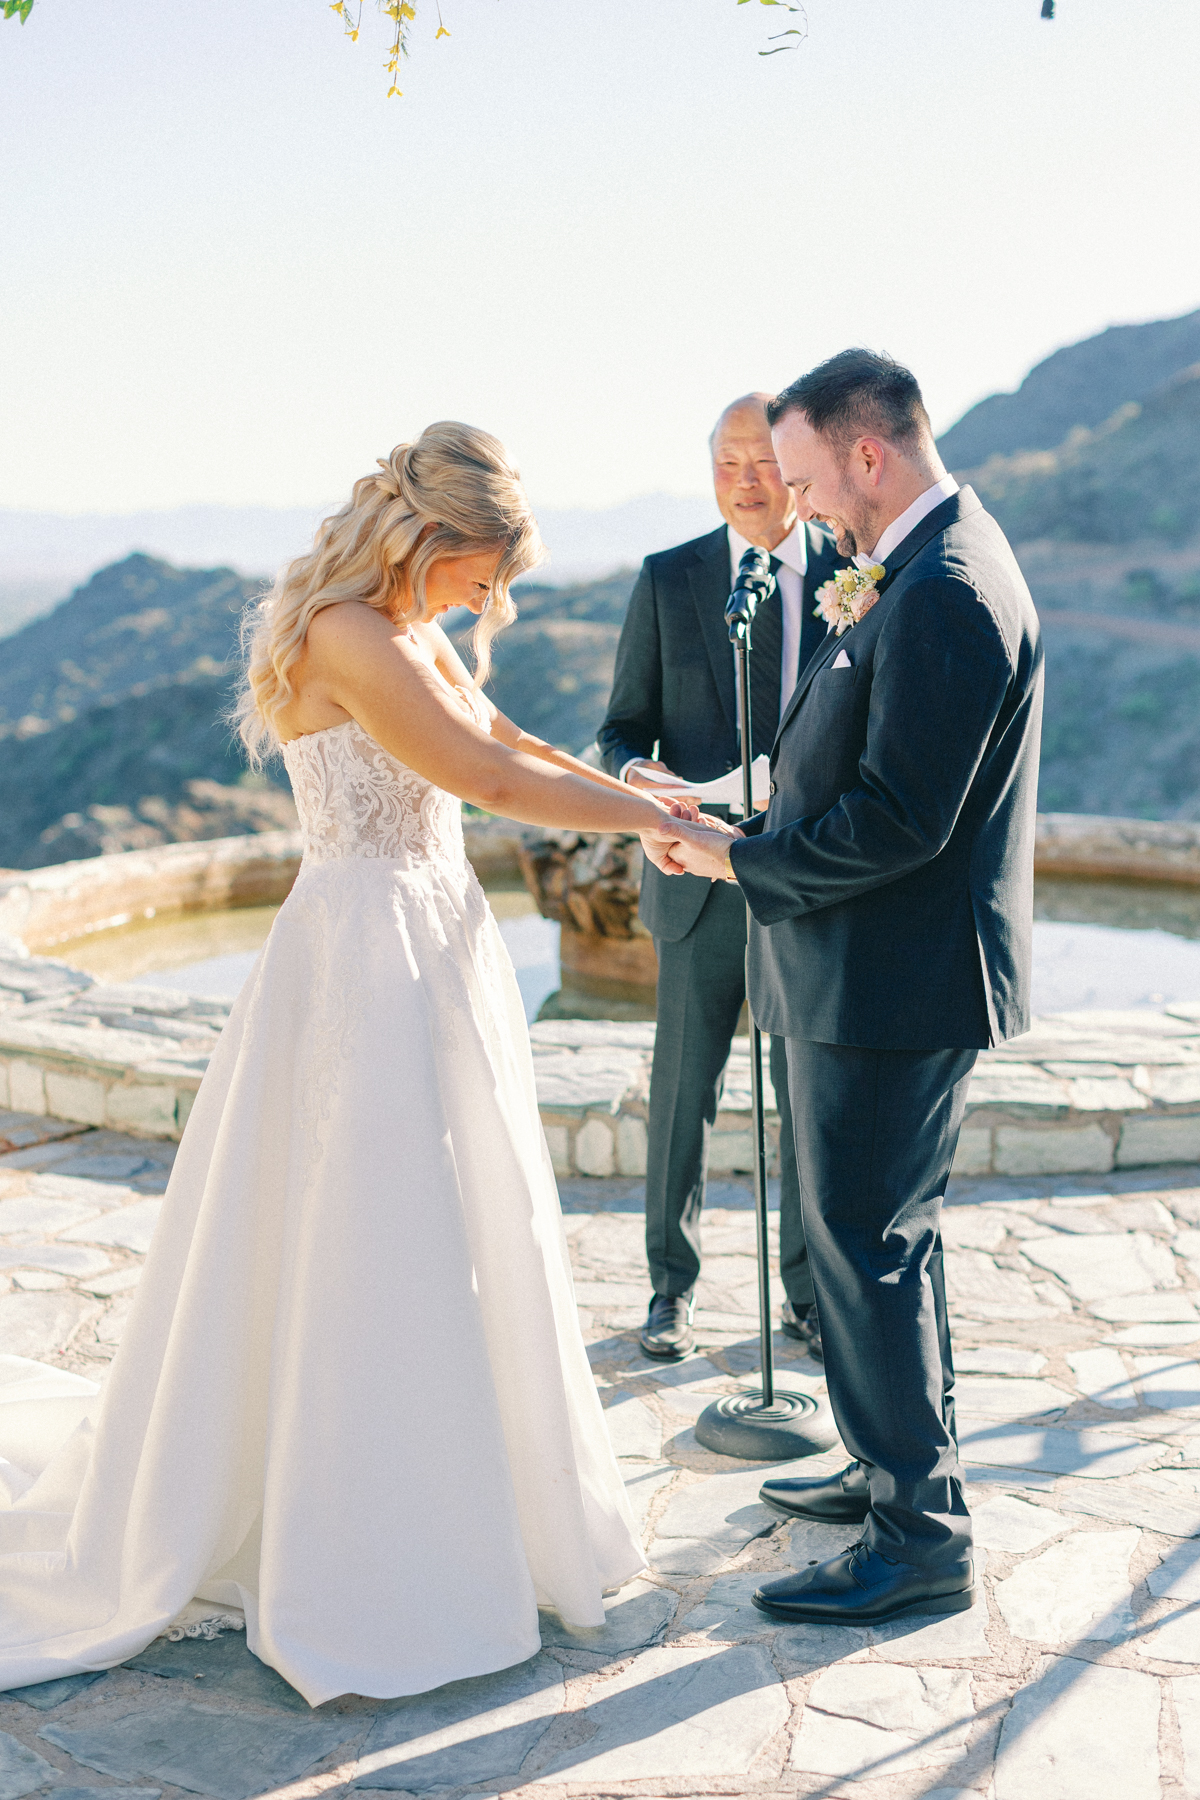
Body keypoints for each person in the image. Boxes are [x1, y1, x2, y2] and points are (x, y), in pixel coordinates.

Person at [0, 423, 691, 1706]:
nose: (489, 600)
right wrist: (645, 820)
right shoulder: (348, 634)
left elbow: (508, 735)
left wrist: (646, 791)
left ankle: (473, 1503)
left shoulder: (412, 628)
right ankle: (356, 1545)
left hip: (435, 940)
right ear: (428, 537)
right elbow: (480, 778)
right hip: (365, 956)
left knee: (465, 1222)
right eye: (482, 573)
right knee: (371, 1225)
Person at [642, 351, 1043, 1625]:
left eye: (808, 480)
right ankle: (891, 1471)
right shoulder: (914, 565)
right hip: (863, 971)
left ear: (869, 455)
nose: (799, 507)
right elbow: (847, 769)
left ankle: (917, 1540)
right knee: (883, 1247)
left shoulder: (948, 589)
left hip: (892, 984)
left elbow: (901, 820)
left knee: (866, 1249)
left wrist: (734, 861)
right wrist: (729, 819)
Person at [597, 394, 841, 1362]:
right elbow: (622, 726)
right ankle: (671, 1289)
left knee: (803, 1098)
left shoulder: (850, 576)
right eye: (726, 463)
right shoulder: (669, 578)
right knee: (682, 1096)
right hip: (693, 882)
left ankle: (807, 1297)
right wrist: (638, 777)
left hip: (805, 882)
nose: (745, 481)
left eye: (763, 462)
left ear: (797, 466)